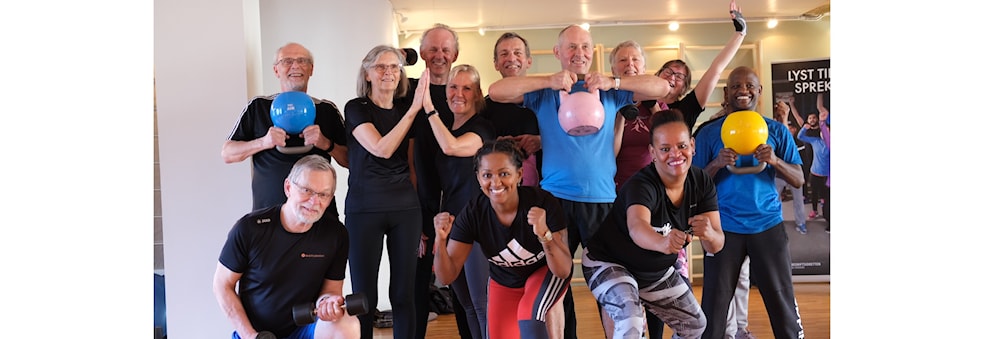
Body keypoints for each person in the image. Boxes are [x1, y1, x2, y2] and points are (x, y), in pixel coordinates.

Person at [488, 24, 674, 339]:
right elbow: (496, 91)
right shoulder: (544, 93)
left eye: (585, 47)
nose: (579, 53)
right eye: (571, 47)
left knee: (611, 286)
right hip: (555, 200)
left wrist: (614, 81)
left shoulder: (610, 91)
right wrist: (548, 80)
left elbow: (662, 87)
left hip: (602, 201)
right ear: (558, 53)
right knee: (554, 284)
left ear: (592, 51)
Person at [609, 2, 747, 337]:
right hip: (621, 202)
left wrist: (740, 34)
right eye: (668, 72)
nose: (673, 78)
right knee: (626, 290)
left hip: (665, 207)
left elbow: (715, 69)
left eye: (681, 76)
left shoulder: (681, 112)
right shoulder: (615, 103)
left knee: (664, 285)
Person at [582, 109, 724, 339]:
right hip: (608, 262)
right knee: (631, 321)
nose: (675, 154)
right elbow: (637, 227)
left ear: (692, 146)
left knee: (694, 325)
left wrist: (709, 233)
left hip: (653, 271)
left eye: (682, 146)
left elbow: (716, 244)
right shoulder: (642, 185)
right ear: (653, 153)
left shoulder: (701, 182)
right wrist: (663, 242)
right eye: (665, 149)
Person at [692, 66, 806, 339]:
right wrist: (717, 163)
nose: (743, 91)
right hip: (723, 228)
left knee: (781, 302)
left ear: (759, 91)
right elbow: (694, 185)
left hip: (767, 225)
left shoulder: (775, 130)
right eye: (736, 86)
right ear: (726, 93)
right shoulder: (709, 133)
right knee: (715, 307)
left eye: (749, 86)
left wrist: (775, 160)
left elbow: (799, 179)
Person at [433, 139, 572, 339]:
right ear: (478, 178)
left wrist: (544, 235)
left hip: (547, 272)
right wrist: (440, 240)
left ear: (519, 175)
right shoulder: (473, 214)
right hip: (505, 280)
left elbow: (563, 269)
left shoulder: (542, 202)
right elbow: (447, 276)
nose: (496, 182)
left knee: (529, 316)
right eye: (487, 175)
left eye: (504, 174)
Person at [213, 154, 360, 339]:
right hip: (258, 334)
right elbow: (222, 285)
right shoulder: (250, 229)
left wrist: (327, 304)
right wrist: (249, 335)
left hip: (306, 329)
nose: (314, 201)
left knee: (347, 324)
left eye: (323, 194)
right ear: (288, 187)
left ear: (330, 199)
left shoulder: (336, 234)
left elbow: (331, 290)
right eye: (306, 190)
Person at [343, 45, 428, 339]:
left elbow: (411, 165)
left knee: (404, 293)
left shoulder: (405, 110)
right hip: (364, 209)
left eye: (394, 67)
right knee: (364, 296)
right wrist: (414, 110)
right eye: (380, 67)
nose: (388, 72)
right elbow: (381, 148)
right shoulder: (356, 108)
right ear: (368, 74)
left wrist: (418, 215)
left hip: (405, 209)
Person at [222, 42, 349, 213]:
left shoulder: (327, 110)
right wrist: (263, 142)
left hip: (318, 214)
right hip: (269, 214)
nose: (295, 66)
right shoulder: (258, 106)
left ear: (311, 69)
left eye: (302, 61)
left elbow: (351, 161)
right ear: (276, 70)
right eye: (287, 61)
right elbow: (228, 154)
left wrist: (326, 144)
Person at [425, 64, 497, 339]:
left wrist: (428, 107)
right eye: (453, 87)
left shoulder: (482, 128)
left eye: (467, 88)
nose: (459, 93)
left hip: (478, 224)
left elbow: (451, 147)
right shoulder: (445, 128)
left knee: (481, 304)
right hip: (453, 224)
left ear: (477, 93)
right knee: (466, 305)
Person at [407, 23, 466, 339]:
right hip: (420, 203)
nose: (439, 55)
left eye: (445, 49)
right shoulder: (408, 93)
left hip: (459, 207)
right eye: (433, 49)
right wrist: (416, 217)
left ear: (455, 54)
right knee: (416, 284)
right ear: (422, 53)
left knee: (463, 285)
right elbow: (409, 161)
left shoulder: (464, 96)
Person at [484, 32, 542, 187]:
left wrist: (541, 141)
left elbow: (566, 139)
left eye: (517, 53)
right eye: (504, 54)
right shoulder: (484, 106)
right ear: (496, 64)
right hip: (498, 189)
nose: (511, 58)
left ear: (529, 61)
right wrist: (496, 146)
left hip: (544, 189)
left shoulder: (546, 100)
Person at [774, 99, 809, 235]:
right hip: (778, 175)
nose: (789, 129)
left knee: (798, 201)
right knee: (773, 200)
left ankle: (801, 223)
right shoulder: (774, 136)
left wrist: (786, 115)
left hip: (793, 174)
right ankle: (775, 224)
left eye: (791, 127)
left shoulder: (797, 141)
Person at [797, 108, 830, 223]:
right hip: (814, 173)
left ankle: (826, 213)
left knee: (825, 196)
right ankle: (815, 210)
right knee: (814, 194)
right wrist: (804, 128)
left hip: (826, 176)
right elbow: (800, 137)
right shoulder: (816, 141)